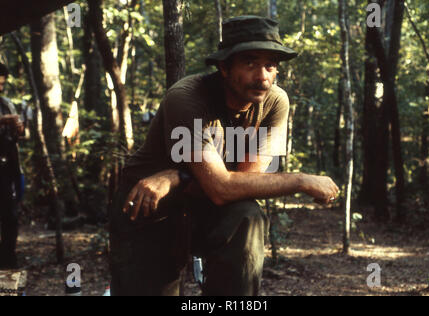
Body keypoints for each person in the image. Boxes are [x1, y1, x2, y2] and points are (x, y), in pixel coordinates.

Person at [110, 16, 339, 296]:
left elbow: (245, 181)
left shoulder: (275, 103)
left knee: (246, 215)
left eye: (270, 65)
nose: (263, 76)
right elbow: (221, 188)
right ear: (224, 67)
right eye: (250, 63)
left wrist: (178, 175)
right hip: (150, 209)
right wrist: (301, 180)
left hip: (206, 209)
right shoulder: (187, 98)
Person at [0, 63, 24, 269]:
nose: (0, 87)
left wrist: (18, 128)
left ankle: (7, 259)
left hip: (7, 167)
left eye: (2, 83)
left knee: (10, 215)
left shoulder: (7, 103)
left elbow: (19, 135)